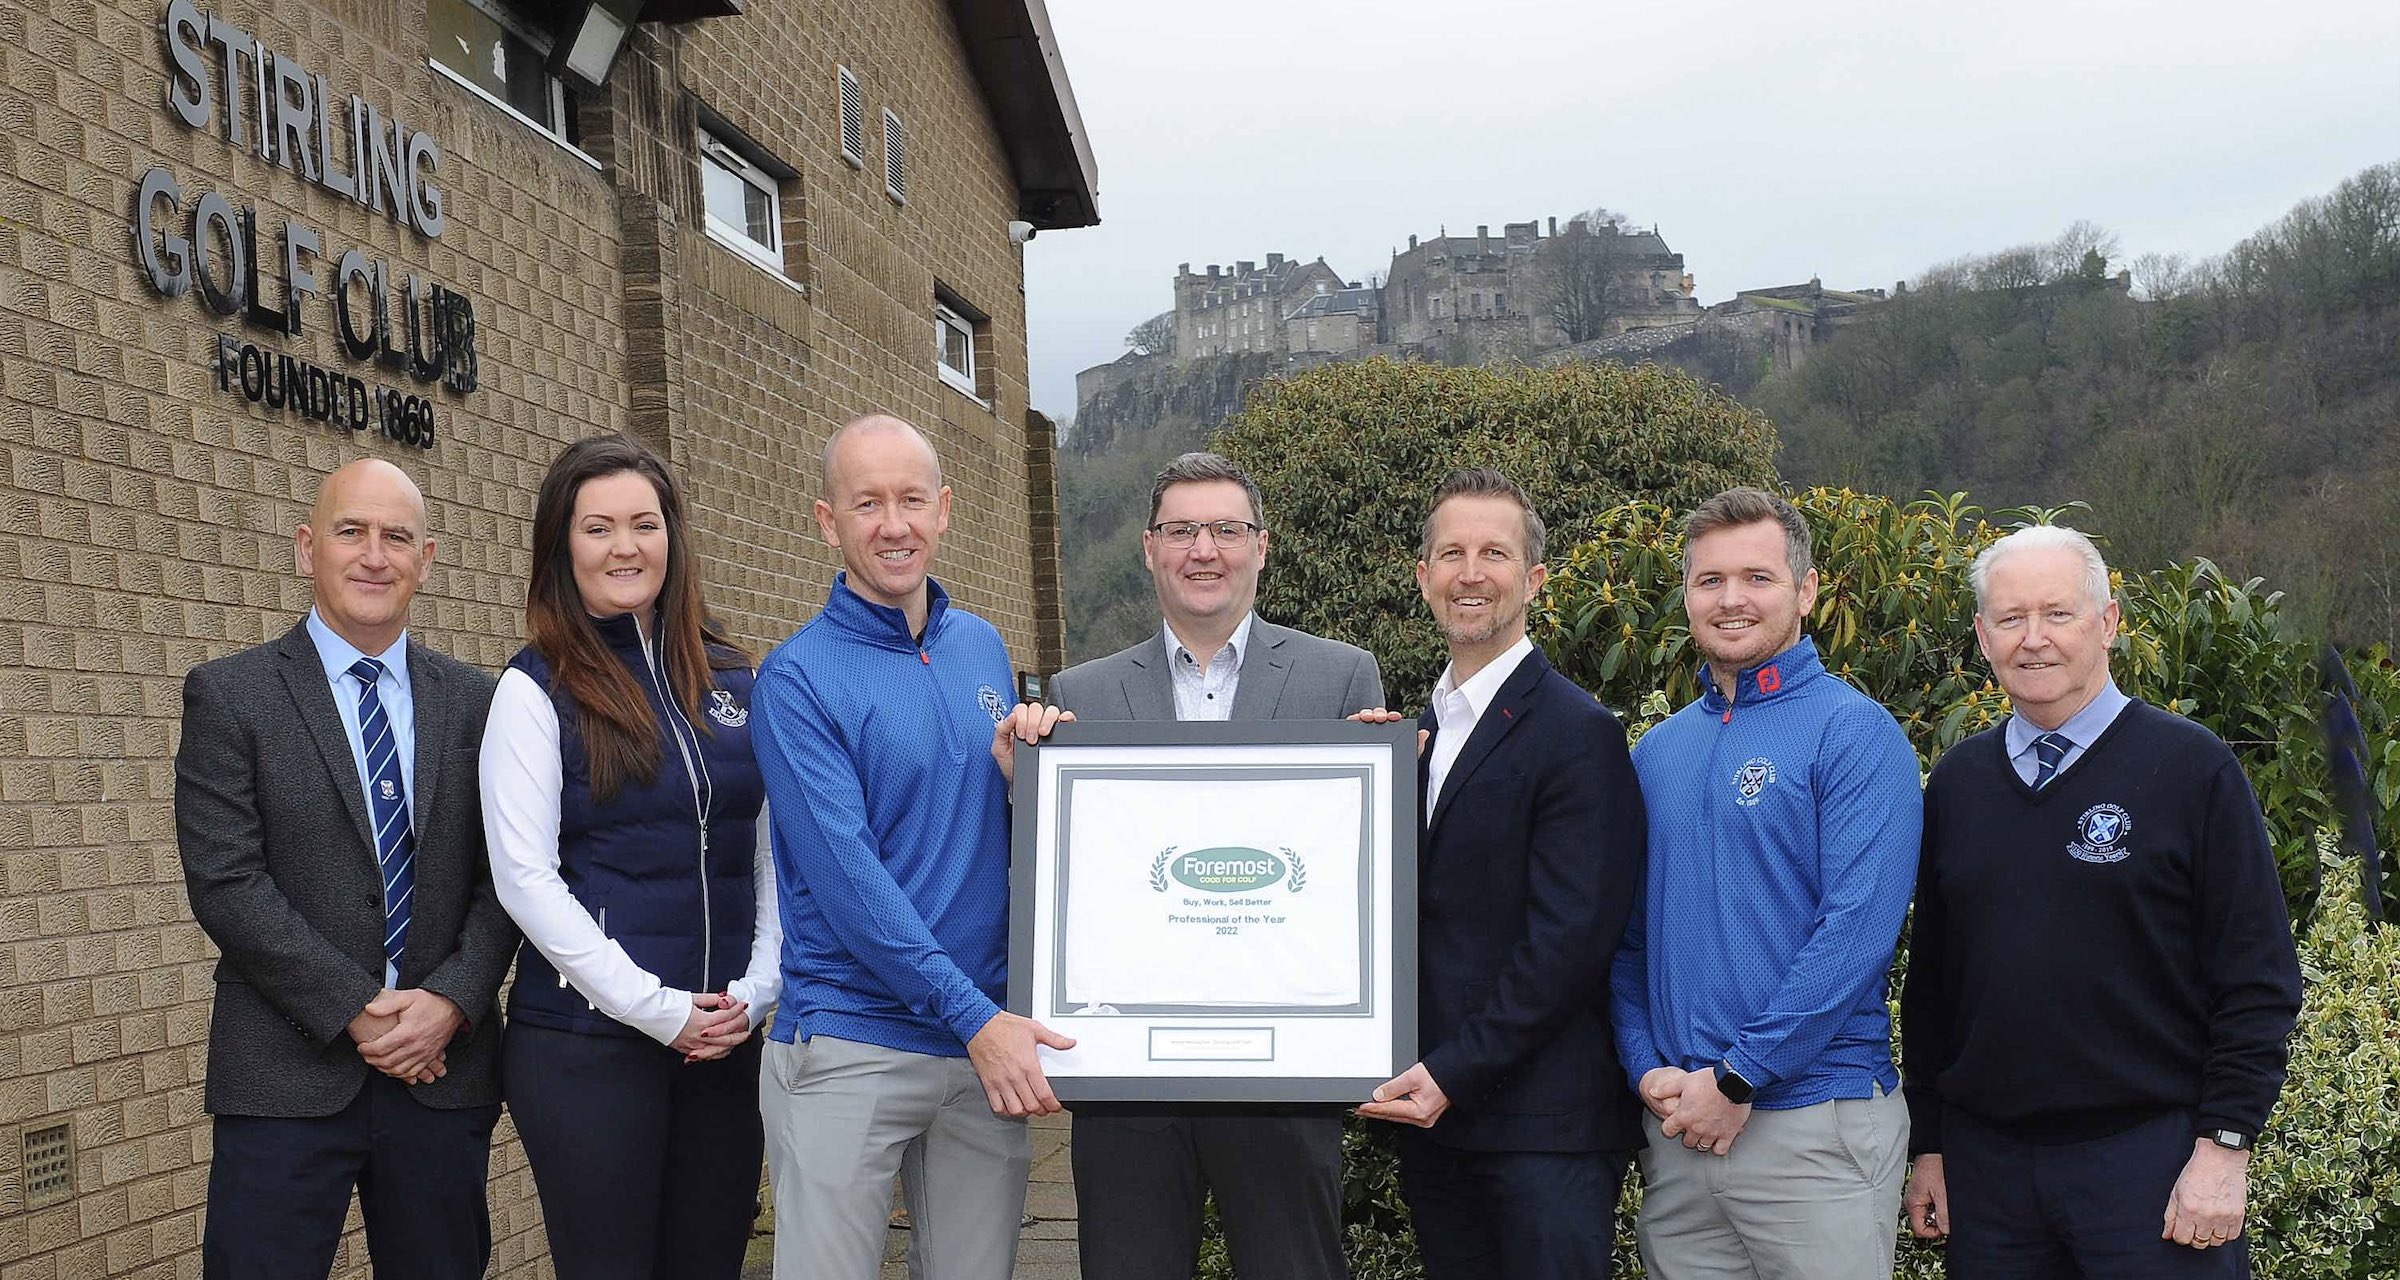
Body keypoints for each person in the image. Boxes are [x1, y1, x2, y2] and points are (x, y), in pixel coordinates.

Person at [1901, 524, 2304, 1276]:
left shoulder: (2193, 769)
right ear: (1983, 637)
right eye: (2011, 619)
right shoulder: (1958, 784)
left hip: (2151, 1167)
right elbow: (1933, 987)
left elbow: (2258, 978)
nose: (2034, 639)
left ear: (2108, 622)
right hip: (1990, 1178)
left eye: (2058, 613)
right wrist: (1929, 1142)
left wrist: (2225, 1145)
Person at [1035, 451, 1383, 1279]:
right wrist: (1026, 778)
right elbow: (1069, 879)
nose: (1204, 550)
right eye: (1181, 530)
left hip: (1285, 1076)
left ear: (1261, 546)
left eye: (1226, 529)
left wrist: (1387, 781)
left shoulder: (1341, 678)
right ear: (1149, 548)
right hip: (1127, 1080)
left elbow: (1358, 878)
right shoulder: (1079, 695)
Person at [174, 458, 517, 1279]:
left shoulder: (482, 704)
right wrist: (360, 1011)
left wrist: (450, 1002)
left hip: (442, 1073)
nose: (373, 555)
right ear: (307, 548)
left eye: (396, 537)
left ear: (425, 559)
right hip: (283, 1075)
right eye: (351, 531)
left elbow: (511, 874)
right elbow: (227, 883)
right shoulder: (230, 696)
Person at [751, 413, 1073, 1280]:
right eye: (868, 504)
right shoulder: (796, 679)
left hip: (981, 1051)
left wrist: (1024, 785)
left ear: (945, 509)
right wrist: (979, 1021)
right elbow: (850, 884)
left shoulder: (983, 647)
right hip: (854, 1041)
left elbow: (986, 842)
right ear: (829, 522)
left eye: (912, 501)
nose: (894, 525)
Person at [477, 435, 780, 1278]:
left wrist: (758, 991)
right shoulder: (534, 690)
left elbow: (769, 852)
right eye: (598, 527)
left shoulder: (734, 679)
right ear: (561, 546)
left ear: (672, 535)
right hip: (588, 1052)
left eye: (644, 524)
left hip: (724, 1042)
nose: (625, 547)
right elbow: (525, 881)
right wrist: (658, 1009)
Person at [1607, 487, 1922, 1279]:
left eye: (1757, 577)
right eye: (1709, 580)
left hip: (1813, 1129)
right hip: (1681, 1131)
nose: (1731, 599)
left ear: (1806, 590)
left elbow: (1855, 935)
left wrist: (1740, 1075)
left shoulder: (1854, 732)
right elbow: (1627, 938)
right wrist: (1646, 1068)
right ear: (1686, 596)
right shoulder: (1657, 753)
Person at [1355, 468, 1645, 1279]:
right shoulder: (1412, 738)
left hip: (1542, 1131)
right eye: (1452, 554)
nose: (1471, 574)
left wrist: (1452, 1071)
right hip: (1437, 1122)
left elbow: (1570, 941)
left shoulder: (1578, 732)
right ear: (1424, 578)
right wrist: (1352, 780)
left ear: (1534, 579)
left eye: (1495, 553)